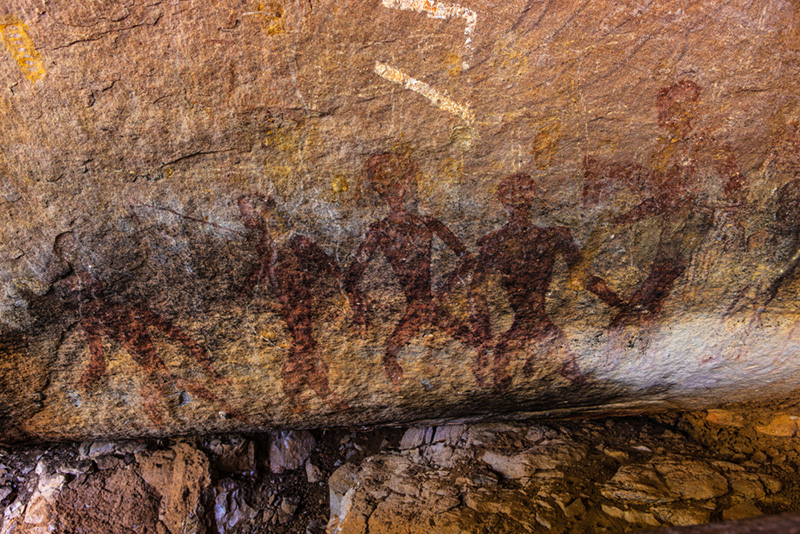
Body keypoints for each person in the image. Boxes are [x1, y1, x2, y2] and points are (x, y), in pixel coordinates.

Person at [345, 152, 477, 385]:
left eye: (397, 180)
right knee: (390, 357)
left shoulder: (428, 223)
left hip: (427, 305)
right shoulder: (379, 230)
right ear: (378, 188)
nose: (392, 190)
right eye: (384, 183)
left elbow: (468, 259)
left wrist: (445, 289)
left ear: (408, 181)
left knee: (477, 346)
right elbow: (351, 277)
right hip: (419, 307)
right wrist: (360, 309)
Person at [470, 173, 595, 389]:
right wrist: (484, 338)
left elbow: (583, 277)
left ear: (532, 195)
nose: (518, 196)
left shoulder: (552, 236)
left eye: (523, 190)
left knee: (505, 380)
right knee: (502, 383)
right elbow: (477, 292)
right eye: (513, 191)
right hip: (535, 329)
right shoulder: (494, 242)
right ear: (503, 199)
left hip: (537, 328)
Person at [238, 194, 348, 410]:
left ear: (260, 213)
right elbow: (261, 270)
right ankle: (303, 395)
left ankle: (321, 394)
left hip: (299, 304)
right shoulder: (267, 245)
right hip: (286, 307)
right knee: (299, 347)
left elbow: (328, 266)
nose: (243, 219)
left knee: (302, 346)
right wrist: (247, 286)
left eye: (245, 212)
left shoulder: (294, 242)